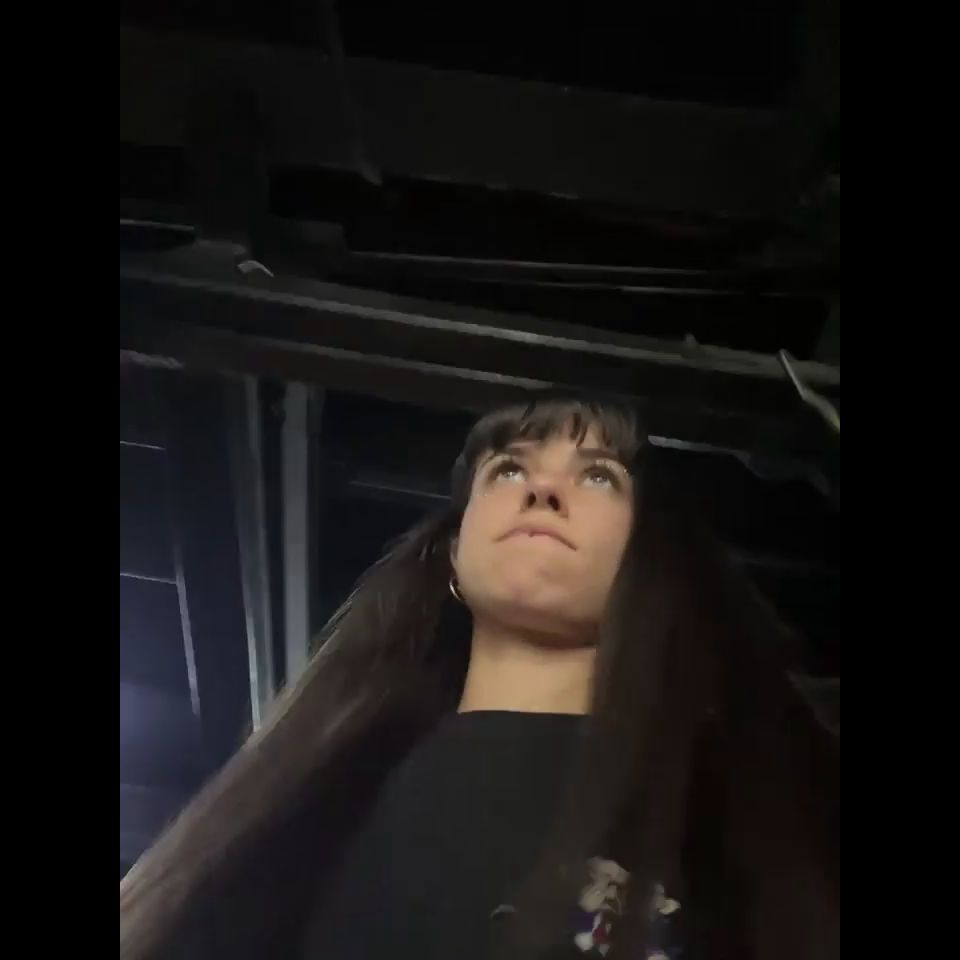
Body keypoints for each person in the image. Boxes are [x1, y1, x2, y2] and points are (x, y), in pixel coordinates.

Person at [120, 392, 838, 960]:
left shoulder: (735, 820)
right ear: (453, 558)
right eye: (508, 470)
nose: (542, 490)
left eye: (599, 475)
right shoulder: (307, 797)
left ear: (650, 563)